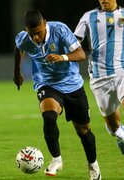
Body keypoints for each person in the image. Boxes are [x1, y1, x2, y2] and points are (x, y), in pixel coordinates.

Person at [13, 9, 101, 180]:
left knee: (83, 130)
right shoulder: (24, 38)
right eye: (32, 34)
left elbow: (81, 54)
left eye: (38, 33)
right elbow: (19, 49)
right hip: (47, 84)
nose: (36, 38)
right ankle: (56, 159)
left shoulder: (59, 30)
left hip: (73, 85)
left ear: (45, 23)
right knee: (49, 116)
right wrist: (17, 73)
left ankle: (93, 165)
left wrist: (63, 57)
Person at [74, 0, 124, 155]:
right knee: (113, 125)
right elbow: (75, 42)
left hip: (122, 71)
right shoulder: (88, 16)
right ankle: (120, 134)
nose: (103, 0)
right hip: (99, 77)